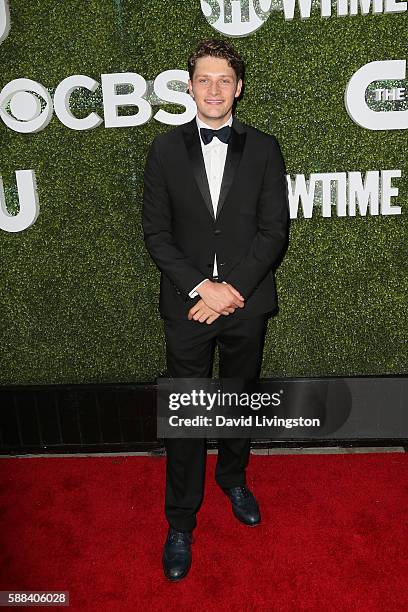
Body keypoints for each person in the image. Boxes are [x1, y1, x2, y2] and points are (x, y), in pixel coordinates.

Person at [142, 38, 289, 581]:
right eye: (204, 79)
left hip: (246, 304)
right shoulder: (163, 150)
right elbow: (156, 234)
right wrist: (203, 288)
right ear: (189, 86)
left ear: (238, 88)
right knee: (187, 414)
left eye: (224, 80)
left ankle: (233, 477)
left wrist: (232, 290)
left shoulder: (266, 148)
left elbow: (274, 231)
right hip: (188, 308)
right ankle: (180, 519)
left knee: (239, 397)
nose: (214, 89)